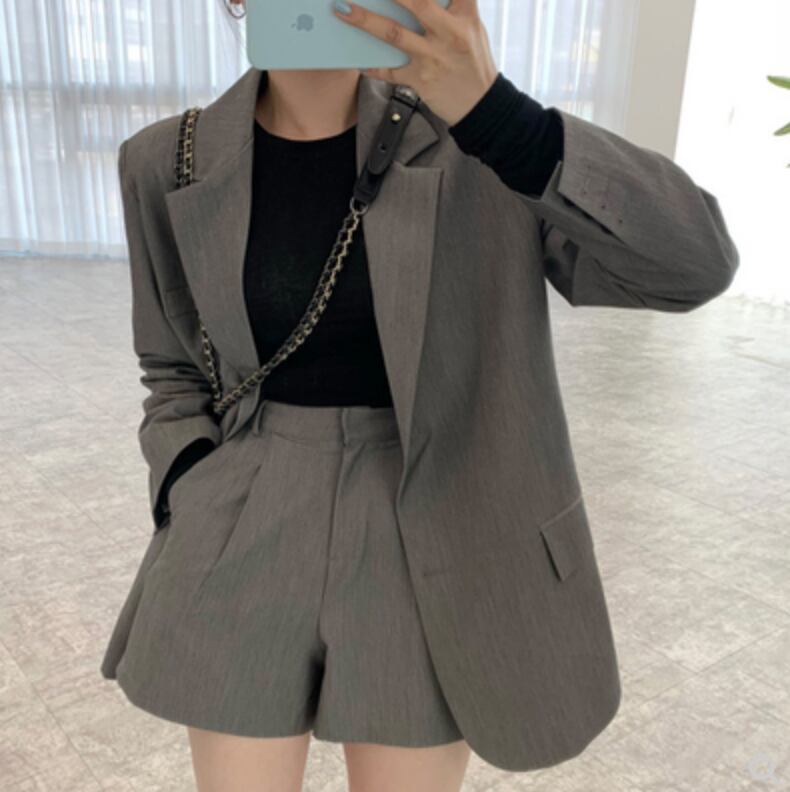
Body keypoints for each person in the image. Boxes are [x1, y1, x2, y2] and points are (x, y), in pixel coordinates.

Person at [100, 1, 740, 790]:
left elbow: (694, 267)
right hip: (244, 514)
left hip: (435, 522)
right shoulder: (167, 159)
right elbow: (168, 360)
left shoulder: (484, 146)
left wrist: (500, 115)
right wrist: (187, 479)